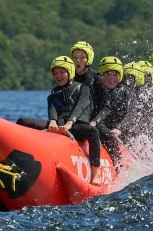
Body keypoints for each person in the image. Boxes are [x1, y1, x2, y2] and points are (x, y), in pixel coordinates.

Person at [18, 56, 103, 185]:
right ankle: (21, 159)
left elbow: (81, 106)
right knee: (23, 121)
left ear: (70, 72)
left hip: (77, 127)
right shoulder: (54, 93)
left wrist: (69, 124)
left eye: (62, 72)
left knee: (93, 131)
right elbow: (52, 109)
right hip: (59, 127)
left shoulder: (83, 89)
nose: (58, 76)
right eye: (55, 73)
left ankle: (95, 175)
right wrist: (53, 121)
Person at [97, 56, 136, 164]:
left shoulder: (126, 92)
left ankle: (119, 166)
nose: (111, 78)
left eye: (115, 74)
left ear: (120, 75)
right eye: (107, 74)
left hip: (120, 133)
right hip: (101, 129)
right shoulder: (95, 90)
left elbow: (131, 114)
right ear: (102, 75)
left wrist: (119, 129)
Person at [70, 41, 111, 127]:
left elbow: (106, 107)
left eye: (82, 57)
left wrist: (94, 122)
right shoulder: (68, 77)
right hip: (71, 121)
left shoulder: (96, 78)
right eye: (75, 57)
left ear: (88, 59)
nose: (78, 60)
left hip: (93, 123)